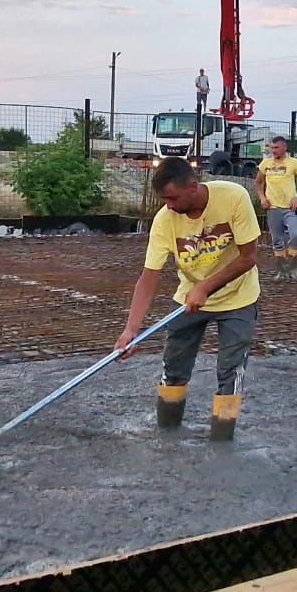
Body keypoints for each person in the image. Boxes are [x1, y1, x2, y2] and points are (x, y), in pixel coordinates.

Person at [116, 158, 261, 441]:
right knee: (174, 367)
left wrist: (206, 287)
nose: (168, 205)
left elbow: (249, 257)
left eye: (172, 198)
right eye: (164, 199)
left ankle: (222, 445)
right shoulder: (164, 220)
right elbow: (149, 276)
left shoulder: (233, 197)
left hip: (238, 299)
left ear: (193, 187)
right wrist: (131, 330)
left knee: (231, 372)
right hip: (189, 300)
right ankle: (167, 437)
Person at [253, 136, 297, 281]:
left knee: (295, 235)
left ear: (284, 148)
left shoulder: (293, 163)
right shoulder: (266, 164)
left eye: (276, 148)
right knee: (277, 240)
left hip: (290, 208)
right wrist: (262, 198)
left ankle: (292, 268)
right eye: (272, 148)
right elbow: (258, 183)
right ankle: (281, 271)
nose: (273, 151)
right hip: (273, 208)